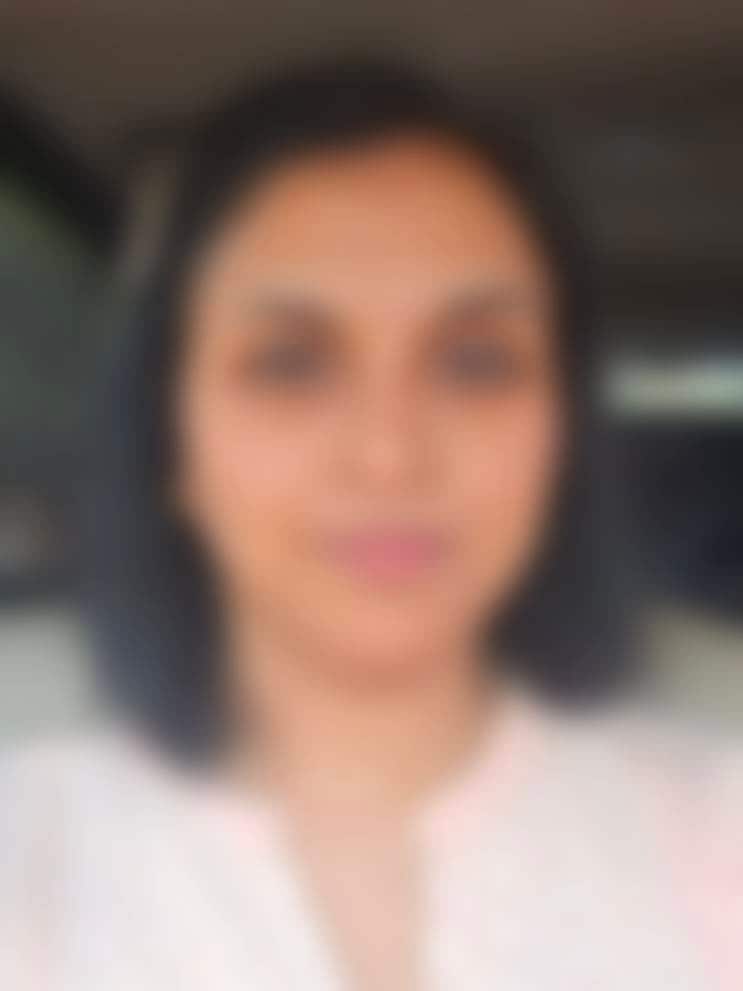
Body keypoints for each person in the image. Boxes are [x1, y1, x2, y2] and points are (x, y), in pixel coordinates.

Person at [1, 57, 740, 991]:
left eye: (475, 362)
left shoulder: (717, 830)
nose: (389, 454)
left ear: (560, 435)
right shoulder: (28, 859)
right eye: (290, 364)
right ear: (169, 440)